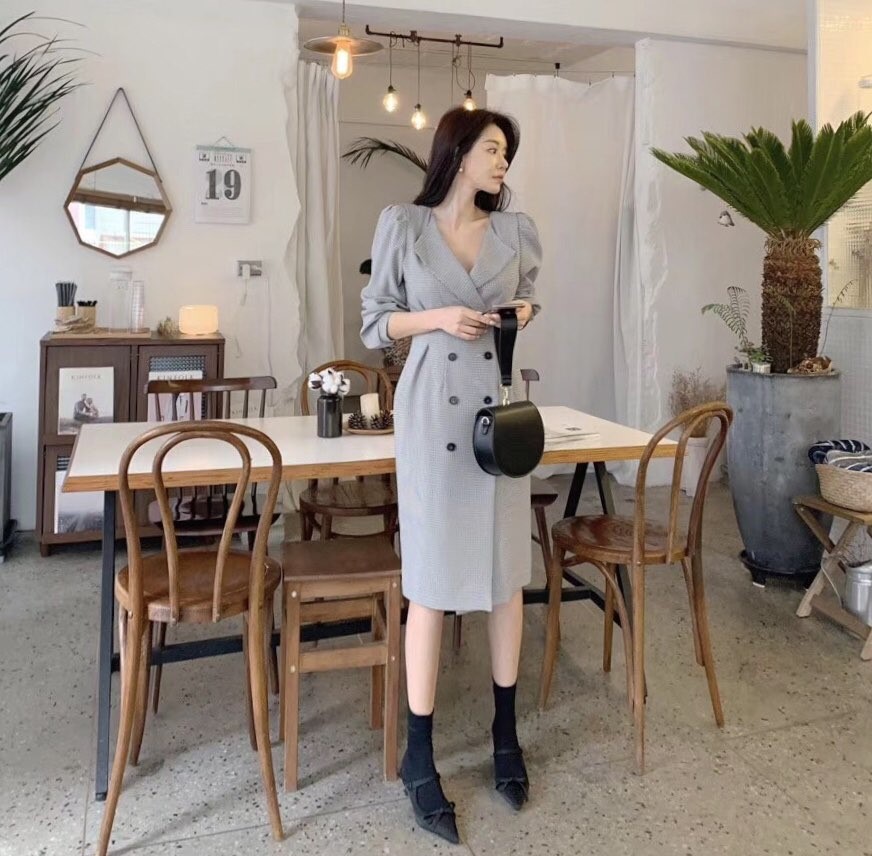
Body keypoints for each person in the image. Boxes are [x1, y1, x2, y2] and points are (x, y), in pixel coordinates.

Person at [360, 106, 541, 845]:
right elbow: (376, 322)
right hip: (433, 410)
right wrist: (437, 319)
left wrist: (518, 312)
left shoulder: (515, 231)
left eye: (507, 152)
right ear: (459, 153)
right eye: (493, 149)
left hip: (498, 415)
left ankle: (506, 736)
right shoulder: (403, 226)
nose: (503, 162)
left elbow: (529, 301)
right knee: (430, 584)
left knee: (505, 578)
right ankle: (419, 754)